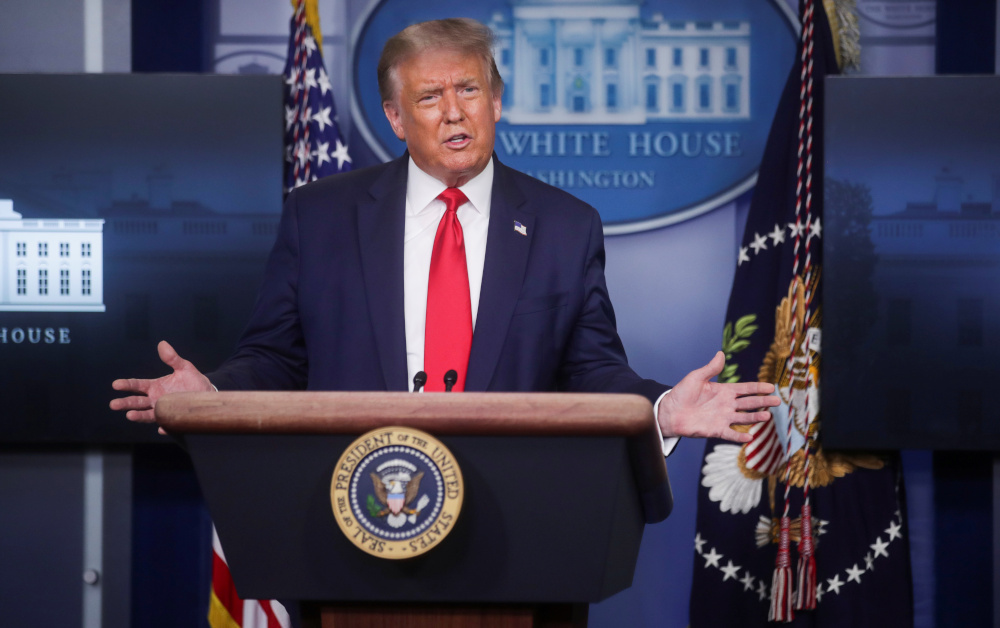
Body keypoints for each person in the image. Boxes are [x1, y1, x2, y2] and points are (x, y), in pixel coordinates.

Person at [111, 18, 778, 446]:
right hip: (354, 502)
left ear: (496, 102)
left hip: (512, 516)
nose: (454, 113)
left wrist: (662, 409)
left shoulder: (564, 226)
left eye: (469, 91)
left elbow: (591, 370)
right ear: (397, 118)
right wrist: (216, 395)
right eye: (431, 99)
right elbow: (280, 358)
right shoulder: (321, 217)